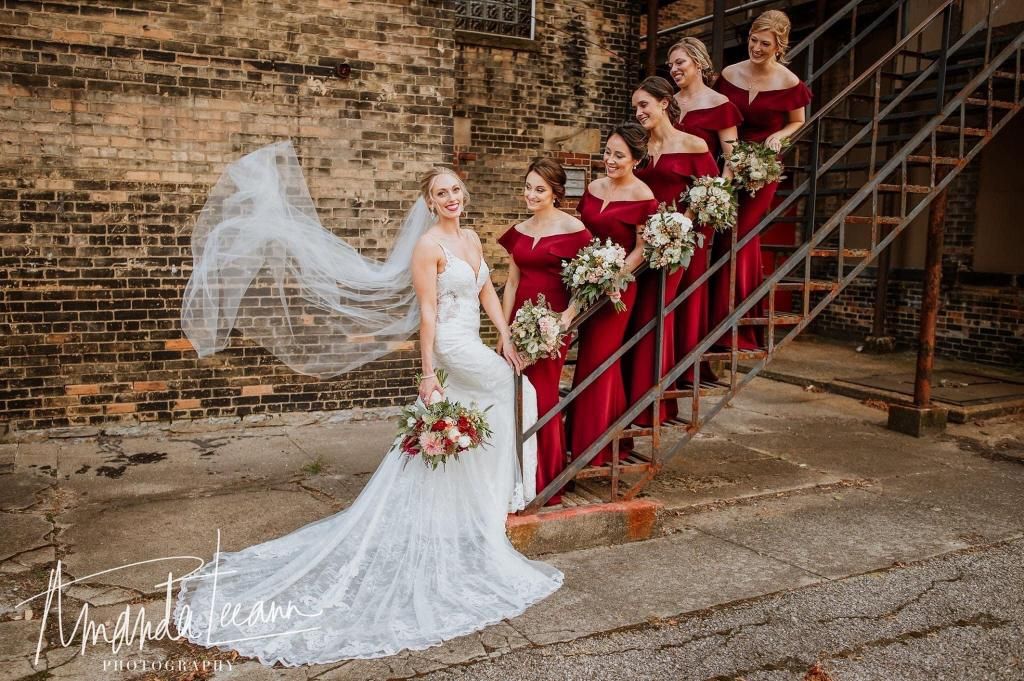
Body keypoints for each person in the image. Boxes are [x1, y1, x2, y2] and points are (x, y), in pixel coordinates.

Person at [174, 145, 563, 666]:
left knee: (492, 401)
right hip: (450, 341)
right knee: (517, 391)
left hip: (475, 334)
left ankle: (481, 496)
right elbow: (428, 314)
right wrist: (428, 375)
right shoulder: (427, 247)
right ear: (429, 202)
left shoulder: (470, 238)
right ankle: (502, 494)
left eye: (455, 190)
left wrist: (505, 336)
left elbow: (488, 291)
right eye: (440, 193)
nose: (451, 198)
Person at [710, 9, 812, 350]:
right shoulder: (728, 73)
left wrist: (781, 136)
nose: (755, 48)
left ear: (778, 46)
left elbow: (797, 122)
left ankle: (731, 327)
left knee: (740, 234)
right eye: (753, 40)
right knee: (729, 233)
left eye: (764, 44)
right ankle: (727, 320)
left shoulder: (790, 83)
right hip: (729, 160)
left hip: (764, 167)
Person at [499, 158, 592, 506]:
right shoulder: (520, 229)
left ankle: (548, 476)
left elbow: (586, 281)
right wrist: (502, 331)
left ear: (555, 192)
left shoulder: (575, 230)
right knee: (516, 395)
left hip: (551, 325)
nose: (531, 194)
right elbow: (511, 282)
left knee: (543, 394)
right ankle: (517, 475)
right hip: (517, 323)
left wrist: (567, 315)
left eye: (540, 189)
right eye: (528, 187)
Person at [567, 123, 658, 466]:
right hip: (586, 280)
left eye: (619, 155)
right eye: (607, 152)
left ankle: (592, 447)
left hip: (618, 290)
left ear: (636, 159)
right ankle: (602, 434)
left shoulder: (643, 196)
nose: (610, 160)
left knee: (598, 359)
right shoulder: (592, 187)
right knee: (592, 359)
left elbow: (641, 248)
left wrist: (615, 277)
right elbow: (582, 233)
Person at [631, 77, 720, 417]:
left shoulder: (694, 144)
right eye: (635, 107)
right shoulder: (639, 148)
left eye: (644, 105)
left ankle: (658, 399)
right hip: (640, 243)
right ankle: (637, 394)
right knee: (640, 315)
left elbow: (710, 190)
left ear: (664, 103)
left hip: (678, 245)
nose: (639, 113)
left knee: (661, 314)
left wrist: (683, 221)